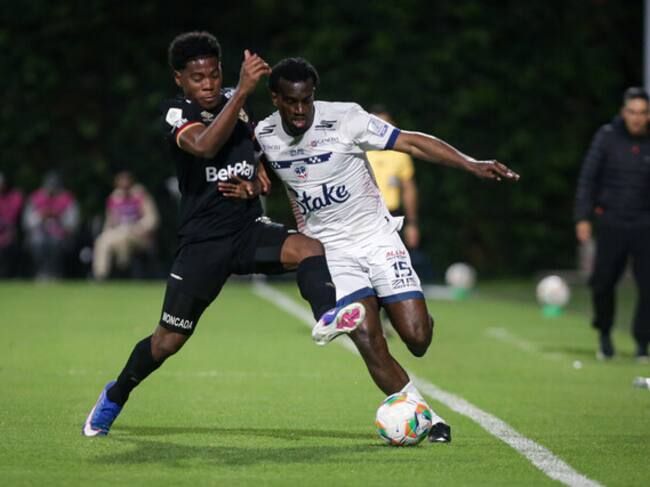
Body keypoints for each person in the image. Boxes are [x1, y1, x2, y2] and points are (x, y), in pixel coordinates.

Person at [82, 32, 365, 437]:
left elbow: (256, 146)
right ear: (179, 79)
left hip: (247, 230)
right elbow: (204, 146)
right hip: (203, 244)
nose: (209, 84)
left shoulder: (236, 102)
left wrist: (258, 174)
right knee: (168, 341)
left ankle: (327, 315)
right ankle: (116, 393)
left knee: (308, 248)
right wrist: (244, 90)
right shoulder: (177, 112)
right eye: (198, 78)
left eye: (214, 74)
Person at [254, 57, 519, 443]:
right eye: (290, 102)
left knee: (417, 338)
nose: (299, 110)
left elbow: (409, 141)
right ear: (275, 99)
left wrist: (470, 163)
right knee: (368, 339)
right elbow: (240, 160)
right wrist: (254, 174)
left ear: (313, 96)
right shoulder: (263, 135)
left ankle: (404, 308)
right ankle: (427, 417)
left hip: (377, 238)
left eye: (306, 100)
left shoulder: (346, 118)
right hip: (332, 251)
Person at [574, 86, 650, 362]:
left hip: (645, 222)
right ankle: (604, 335)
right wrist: (582, 217)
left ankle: (642, 343)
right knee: (603, 283)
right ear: (623, 112)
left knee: (648, 286)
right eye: (632, 112)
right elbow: (588, 178)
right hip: (611, 221)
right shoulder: (607, 137)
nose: (637, 118)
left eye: (642, 113)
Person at [366, 106, 420, 250]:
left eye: (384, 125)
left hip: (392, 216)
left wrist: (412, 223)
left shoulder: (399, 154)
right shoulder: (358, 152)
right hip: (364, 216)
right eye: (376, 125)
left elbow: (408, 189)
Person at [92, 170, 160, 279]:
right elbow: (109, 223)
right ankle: (100, 275)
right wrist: (108, 232)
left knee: (124, 237)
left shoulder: (140, 196)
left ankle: (123, 271)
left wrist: (139, 228)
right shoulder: (114, 199)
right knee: (101, 241)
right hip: (118, 233)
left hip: (138, 235)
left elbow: (152, 219)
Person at [23, 171, 79, 280]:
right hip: (38, 233)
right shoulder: (35, 198)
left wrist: (59, 217)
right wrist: (40, 216)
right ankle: (41, 272)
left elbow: (73, 223)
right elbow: (26, 222)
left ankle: (55, 273)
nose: (51, 190)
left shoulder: (67, 198)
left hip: (61, 235)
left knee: (55, 242)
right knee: (38, 242)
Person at [0, 172, 24, 278]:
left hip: (10, 232)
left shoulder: (15, 196)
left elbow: (13, 217)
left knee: (8, 244)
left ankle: (7, 274)